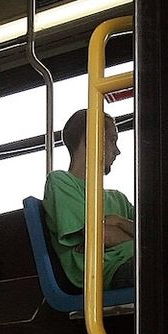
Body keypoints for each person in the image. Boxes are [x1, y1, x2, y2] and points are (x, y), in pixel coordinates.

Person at [42, 107, 137, 292]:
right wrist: (130, 235)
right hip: (108, 271)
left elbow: (150, 237)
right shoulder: (61, 182)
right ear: (91, 138)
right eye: (112, 140)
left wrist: (117, 222)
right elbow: (101, 235)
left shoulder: (119, 198)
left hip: (137, 259)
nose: (117, 151)